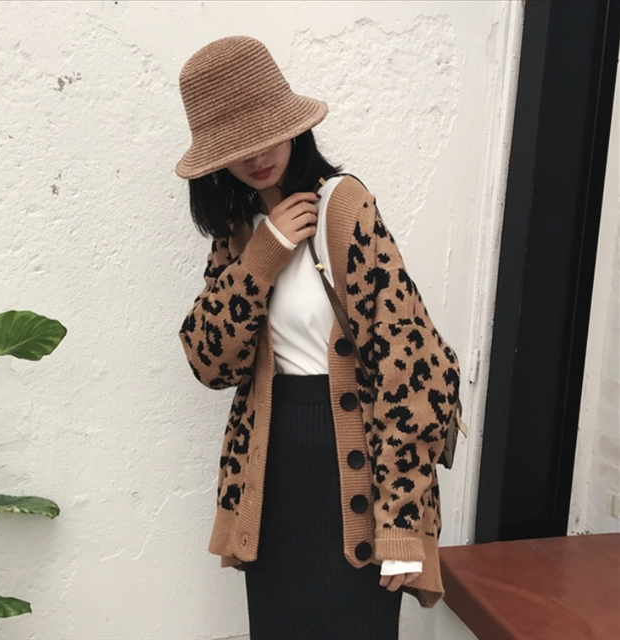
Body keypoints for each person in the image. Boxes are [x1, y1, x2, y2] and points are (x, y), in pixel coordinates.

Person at [175, 36, 461, 640]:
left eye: (267, 133)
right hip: (273, 473)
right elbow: (209, 362)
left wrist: (402, 522)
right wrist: (265, 253)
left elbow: (408, 364)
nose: (258, 155)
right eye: (238, 145)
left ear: (293, 126)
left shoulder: (342, 206)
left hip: (351, 463)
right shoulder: (238, 233)